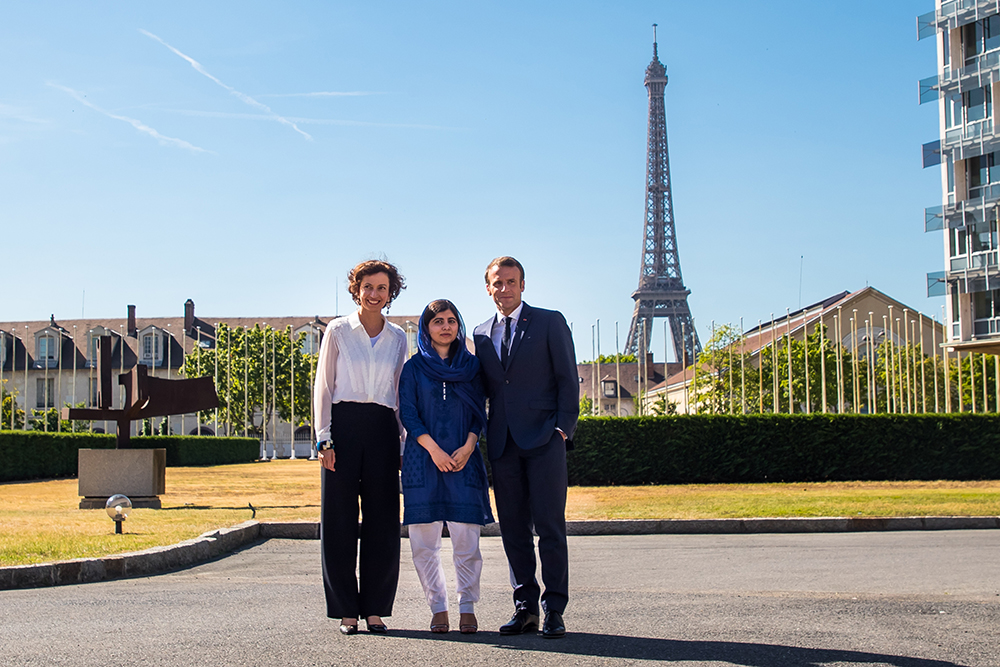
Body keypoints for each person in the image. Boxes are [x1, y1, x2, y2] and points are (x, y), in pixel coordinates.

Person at [472, 256, 578, 639]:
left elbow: (568, 378)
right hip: (502, 443)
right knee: (513, 529)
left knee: (550, 527)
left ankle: (554, 610)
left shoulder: (550, 322)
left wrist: (563, 429)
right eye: (497, 283)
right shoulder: (481, 334)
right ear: (488, 288)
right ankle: (525, 608)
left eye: (511, 281)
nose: (505, 288)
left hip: (545, 439)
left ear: (523, 284)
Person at [313, 259, 408, 635]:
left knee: (383, 521)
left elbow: (399, 393)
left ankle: (375, 609)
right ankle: (346, 610)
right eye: (367, 286)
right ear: (356, 289)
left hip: (383, 429)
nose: (374, 294)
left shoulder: (399, 337)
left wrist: (402, 440)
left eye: (382, 288)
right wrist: (325, 437)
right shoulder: (337, 330)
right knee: (338, 520)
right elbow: (323, 385)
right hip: (343, 427)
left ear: (390, 293)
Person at [399, 299, 494, 635]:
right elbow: (408, 413)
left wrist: (469, 446)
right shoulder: (413, 368)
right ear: (427, 327)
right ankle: (437, 607)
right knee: (424, 544)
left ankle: (467, 606)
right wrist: (434, 450)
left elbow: (478, 412)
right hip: (422, 462)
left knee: (467, 541)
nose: (445, 326)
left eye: (452, 320)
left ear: (459, 326)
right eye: (437, 321)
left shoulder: (471, 367)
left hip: (463, 461)